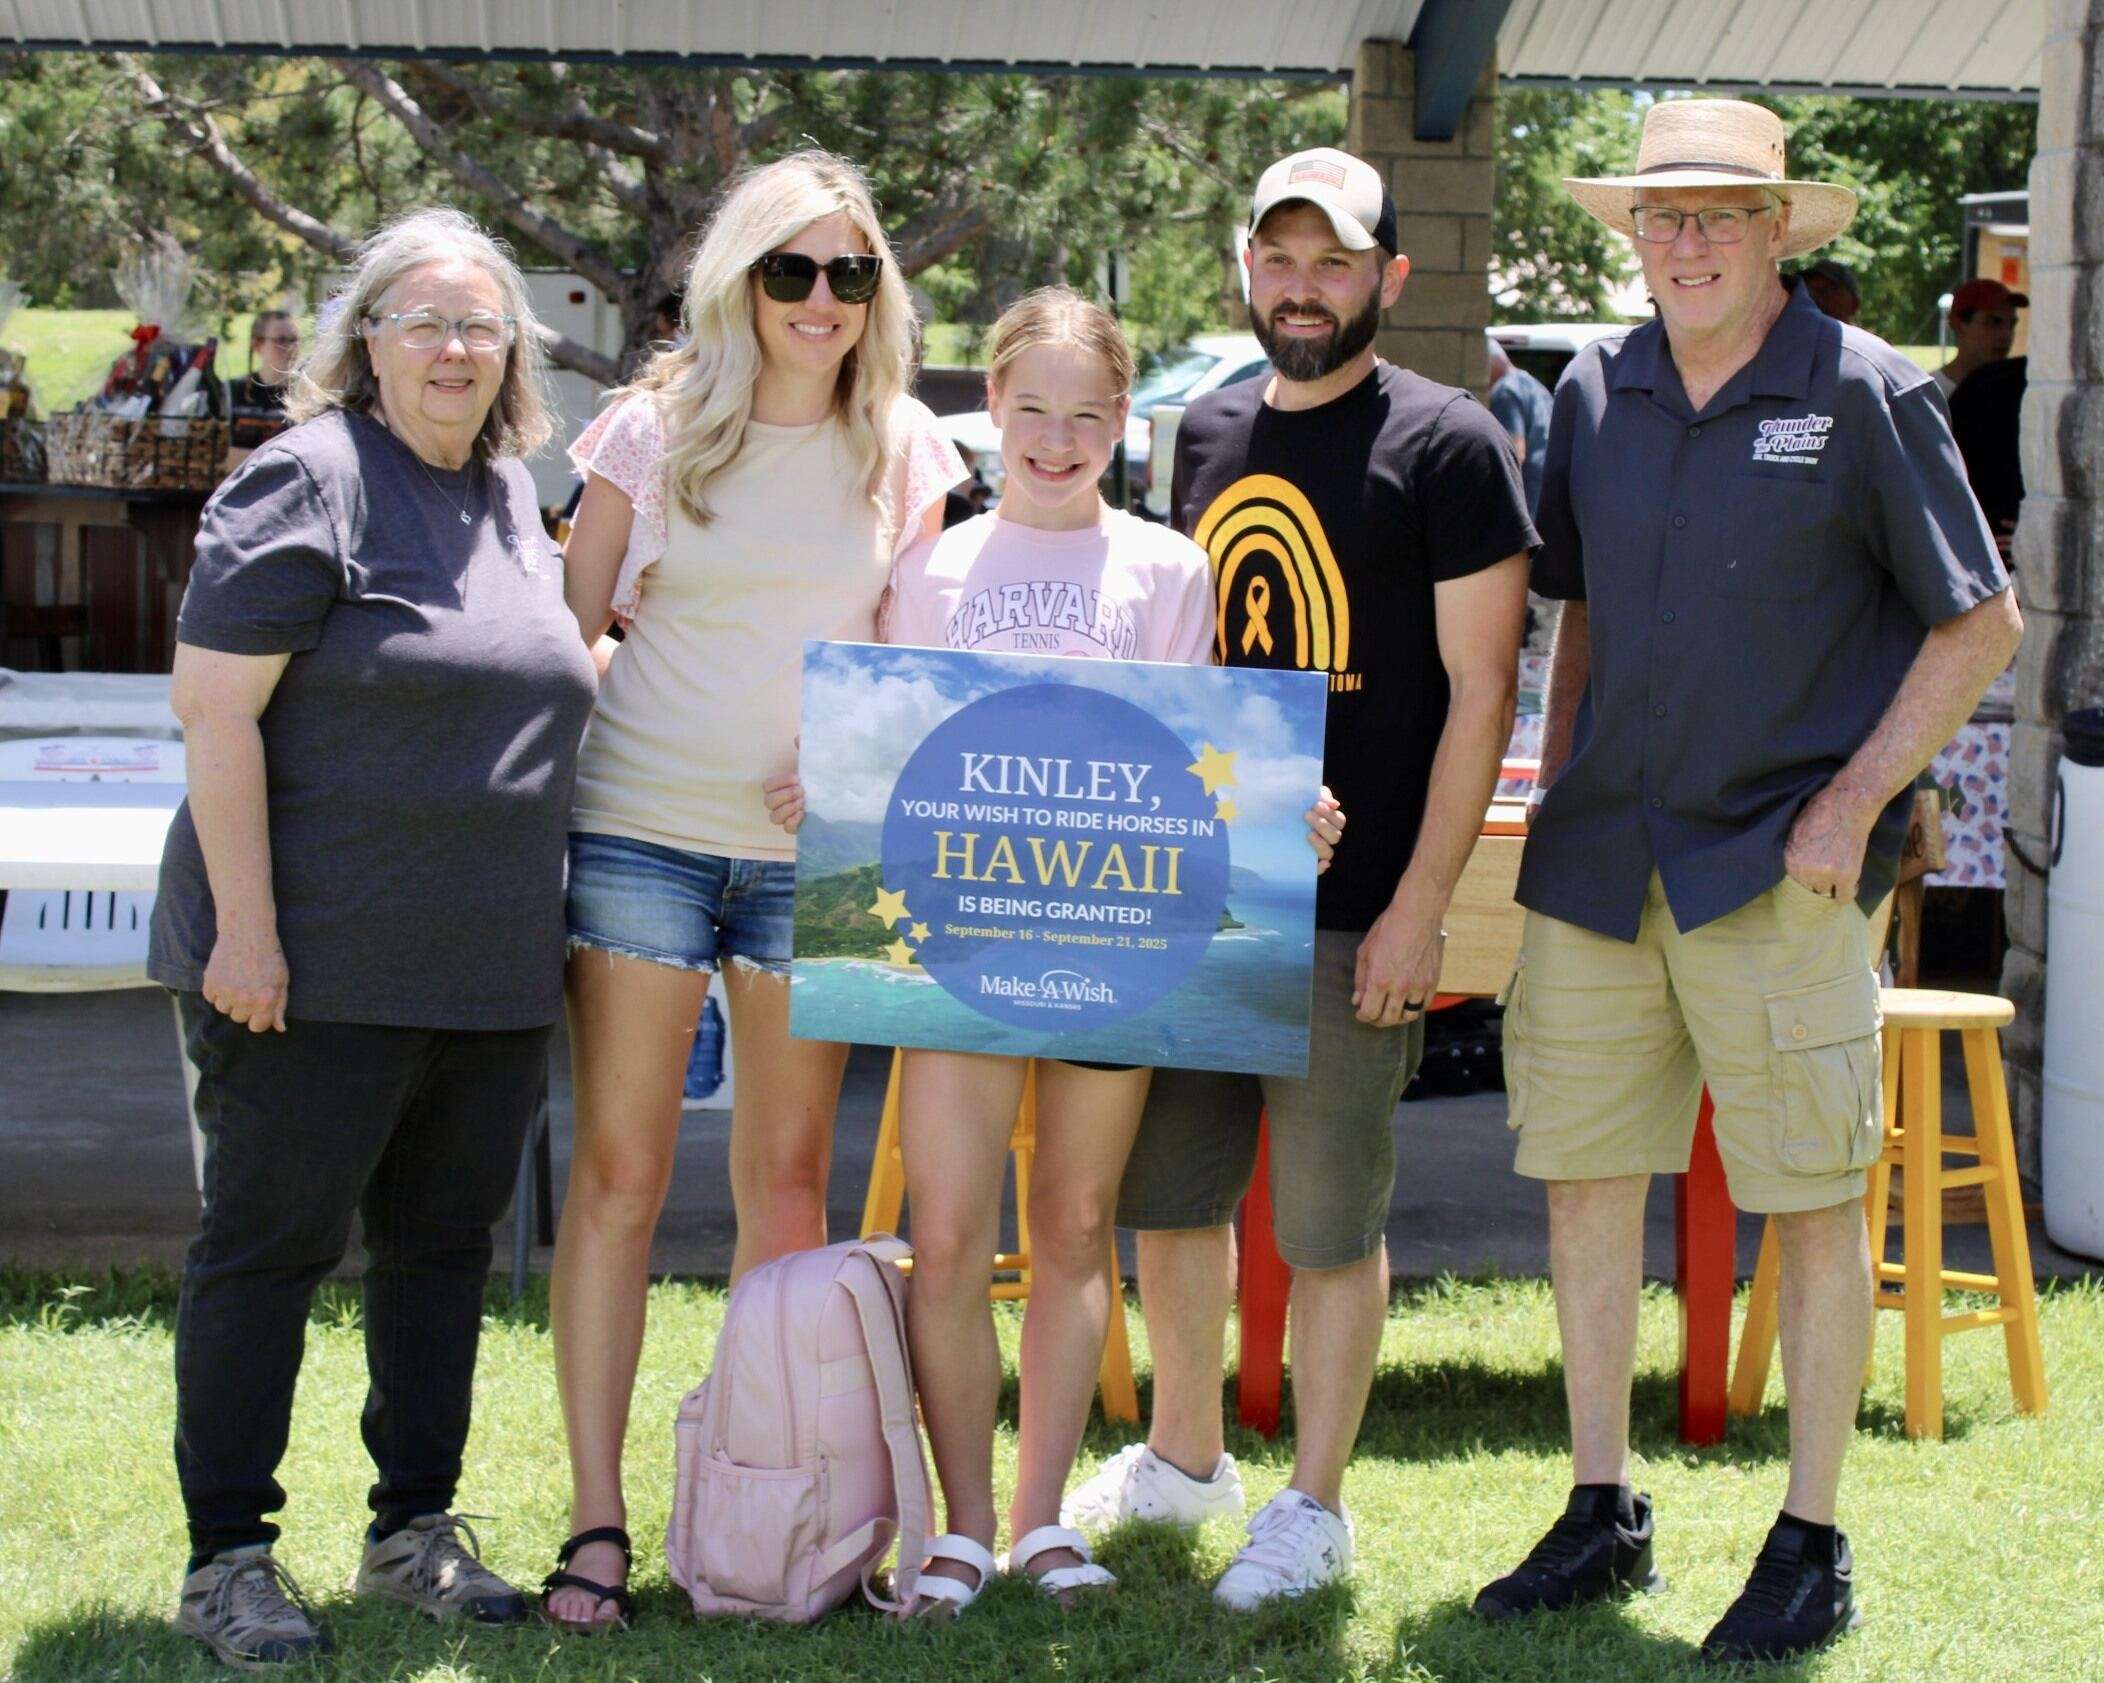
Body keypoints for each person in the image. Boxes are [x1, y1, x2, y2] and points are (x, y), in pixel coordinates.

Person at [1481, 98, 2022, 1664]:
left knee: (1805, 1190)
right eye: (1665, 215)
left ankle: (1812, 1537)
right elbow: (1571, 613)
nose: (1692, 239)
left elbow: (1976, 621)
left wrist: (1854, 802)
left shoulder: (1865, 394)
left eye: (1725, 213)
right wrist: (1555, 772)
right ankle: (1602, 1504)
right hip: (1602, 859)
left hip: (1779, 863)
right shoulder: (1597, 385)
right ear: (1630, 233)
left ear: (1782, 228)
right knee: (1585, 1176)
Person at [765, 286, 1343, 1612]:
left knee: (1077, 1224)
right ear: (995, 409)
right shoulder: (930, 566)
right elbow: (890, 746)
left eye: (1089, 413)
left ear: (1122, 421)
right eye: (1033, 408)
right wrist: (830, 791)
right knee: (951, 1227)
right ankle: (960, 1525)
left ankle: (1040, 1520)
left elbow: (1198, 763)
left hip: (1115, 945)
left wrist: (1275, 816)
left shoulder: (1166, 567)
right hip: (958, 942)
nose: (1058, 436)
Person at [1067, 145, 1535, 1608]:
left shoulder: (1452, 444)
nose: (1304, 286)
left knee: (1328, 1220)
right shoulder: (1201, 428)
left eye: (1334, 261)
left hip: (1356, 912)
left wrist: (1420, 904)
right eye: (1280, 259)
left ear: (1388, 276)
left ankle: (1315, 1502)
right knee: (1175, 1195)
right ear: (1244, 271)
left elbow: (1482, 688)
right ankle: (1186, 1452)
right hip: (1200, 903)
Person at [149, 209, 597, 1669]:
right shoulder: (309, 478)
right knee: (268, 1251)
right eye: (424, 319)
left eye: (481, 325)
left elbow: (514, 681)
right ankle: (228, 1557)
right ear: (367, 341)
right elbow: (214, 711)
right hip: (309, 964)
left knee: (437, 1255)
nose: (456, 347)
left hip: (482, 975)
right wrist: (251, 935)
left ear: (513, 352)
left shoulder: (515, 501)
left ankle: (414, 1529)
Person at [542, 150, 965, 1632]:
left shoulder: (909, 451)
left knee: (789, 1184)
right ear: (738, 279)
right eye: (792, 269)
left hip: (815, 866)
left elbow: (925, 674)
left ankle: (767, 1501)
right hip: (640, 833)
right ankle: (598, 1520)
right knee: (618, 1177)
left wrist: (855, 758)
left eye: (852, 273)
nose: (823, 300)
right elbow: (560, 634)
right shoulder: (650, 434)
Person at [222, 309, 300, 469]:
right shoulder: (232, 392)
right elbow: (221, 456)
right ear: (257, 345)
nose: (290, 348)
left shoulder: (307, 397)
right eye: (281, 340)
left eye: (294, 339)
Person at [1486, 338, 1552, 518]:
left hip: (1526, 499)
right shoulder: (1531, 383)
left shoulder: (1505, 391)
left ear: (1492, 360)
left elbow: (1513, 452)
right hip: (1545, 492)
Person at [1932, 276, 2025, 401]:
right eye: (1994, 322)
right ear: (1958, 324)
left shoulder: (2019, 394)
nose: (2006, 335)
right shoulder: (1928, 395)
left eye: (2012, 325)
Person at [1798, 257, 1861, 325]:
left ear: (1854, 304)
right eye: (1810, 288)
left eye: (1829, 289)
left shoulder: (1857, 335)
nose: (1817, 297)